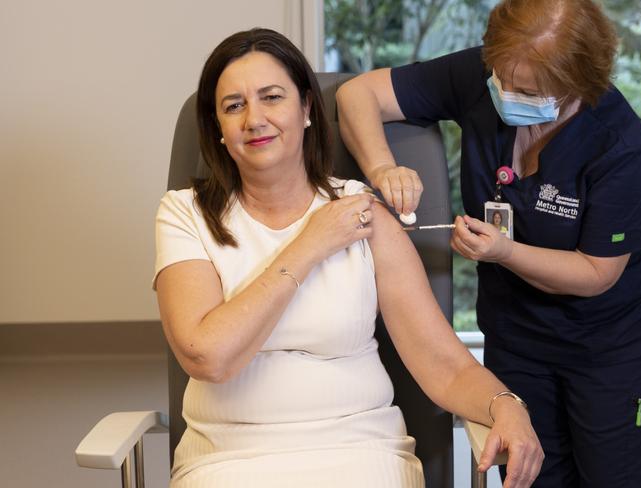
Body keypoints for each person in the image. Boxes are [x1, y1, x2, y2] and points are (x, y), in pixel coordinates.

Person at [154, 27, 542, 488]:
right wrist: (311, 242)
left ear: (307, 110)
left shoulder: (363, 213)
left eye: (272, 97)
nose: (254, 119)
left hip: (361, 453)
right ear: (217, 129)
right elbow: (208, 358)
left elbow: (444, 363)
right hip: (227, 462)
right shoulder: (185, 214)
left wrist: (507, 405)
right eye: (233, 106)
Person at [336, 0, 641, 486]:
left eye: (527, 91)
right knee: (530, 474)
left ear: (578, 85)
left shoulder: (620, 145)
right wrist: (382, 168)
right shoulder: (483, 75)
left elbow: (597, 273)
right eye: (501, 78)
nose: (506, 95)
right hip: (515, 340)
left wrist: (505, 252)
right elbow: (358, 94)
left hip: (608, 349)